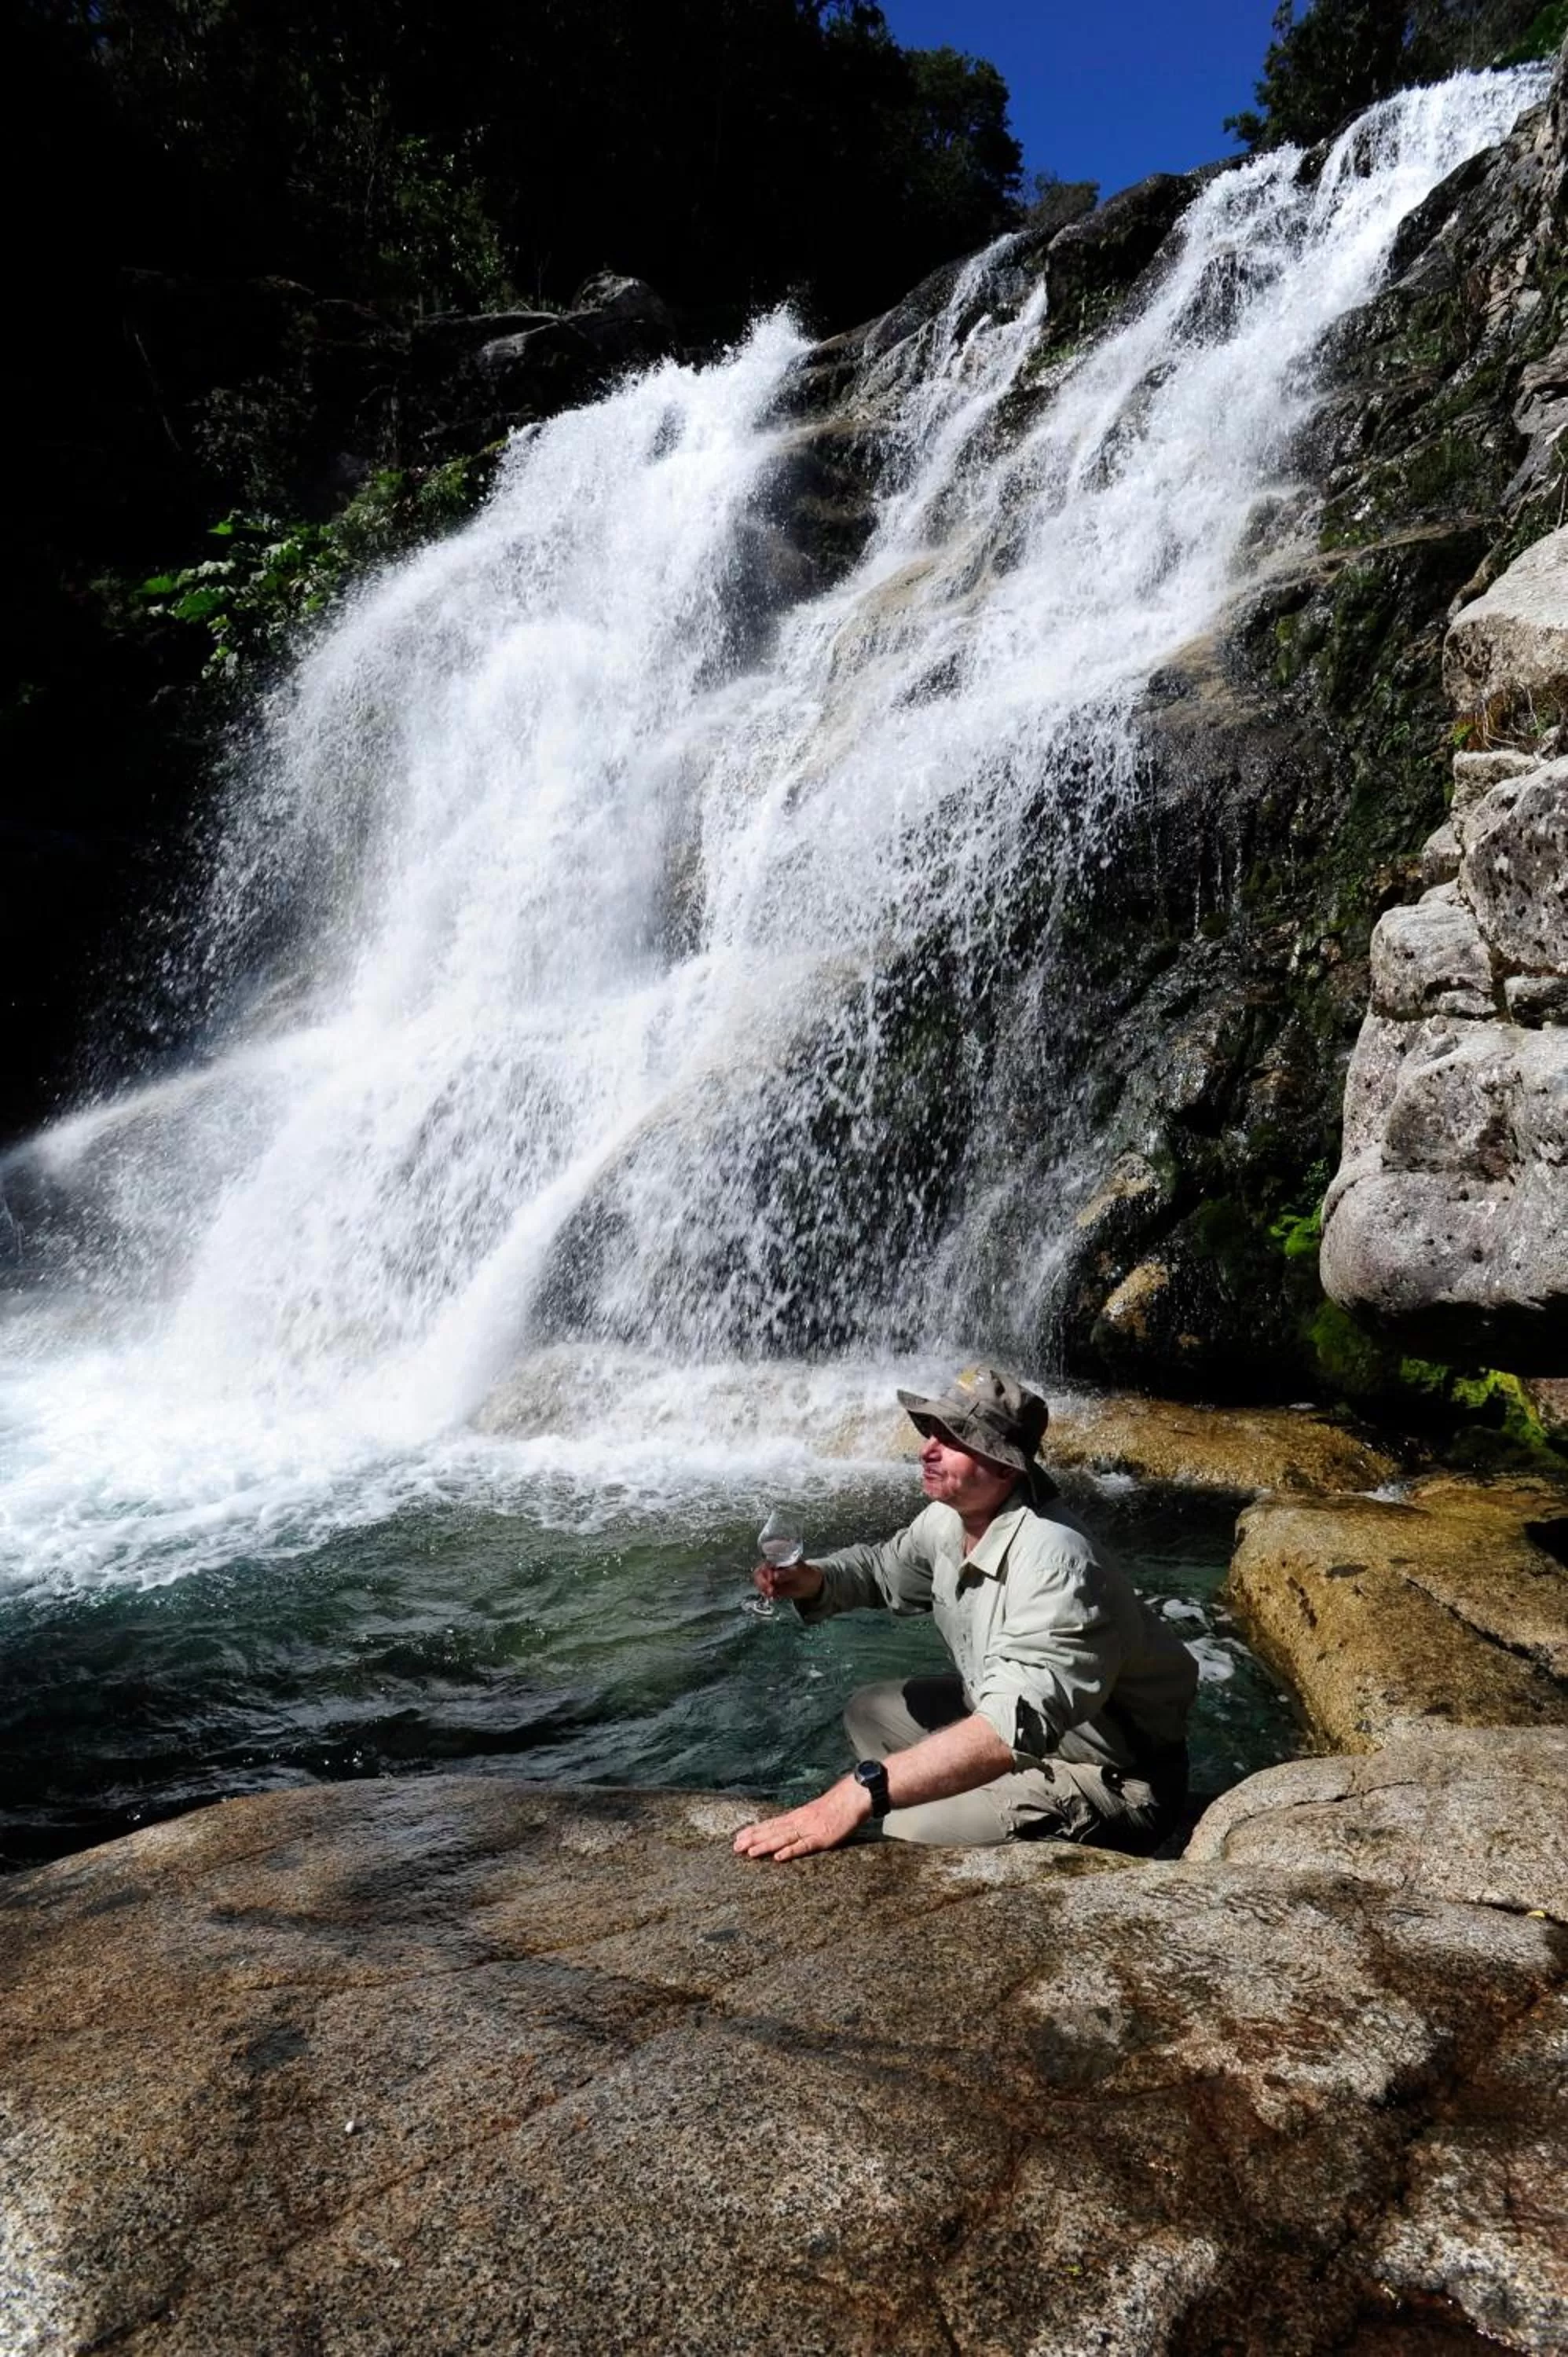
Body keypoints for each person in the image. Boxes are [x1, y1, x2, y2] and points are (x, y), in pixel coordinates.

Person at [733, 1365, 1196, 1864]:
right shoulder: (950, 1519)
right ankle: (979, 1804)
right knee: (871, 1712)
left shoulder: (1057, 1564)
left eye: (954, 1438)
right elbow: (883, 1570)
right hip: (1019, 1732)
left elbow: (1005, 1727)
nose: (926, 1450)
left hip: (1111, 1779)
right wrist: (815, 1579)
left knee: (903, 1828)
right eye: (932, 1431)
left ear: (1006, 1466)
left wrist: (855, 1794)